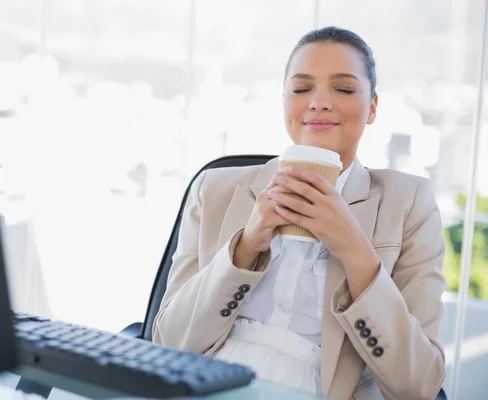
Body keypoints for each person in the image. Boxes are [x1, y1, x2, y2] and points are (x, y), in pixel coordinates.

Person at [152, 26, 446, 400]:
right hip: (205, 384)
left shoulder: (408, 202)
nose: (319, 102)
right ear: (284, 102)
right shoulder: (214, 190)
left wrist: (356, 252)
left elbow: (418, 387)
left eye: (342, 88)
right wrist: (244, 248)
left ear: (372, 107)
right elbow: (167, 345)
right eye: (302, 88)